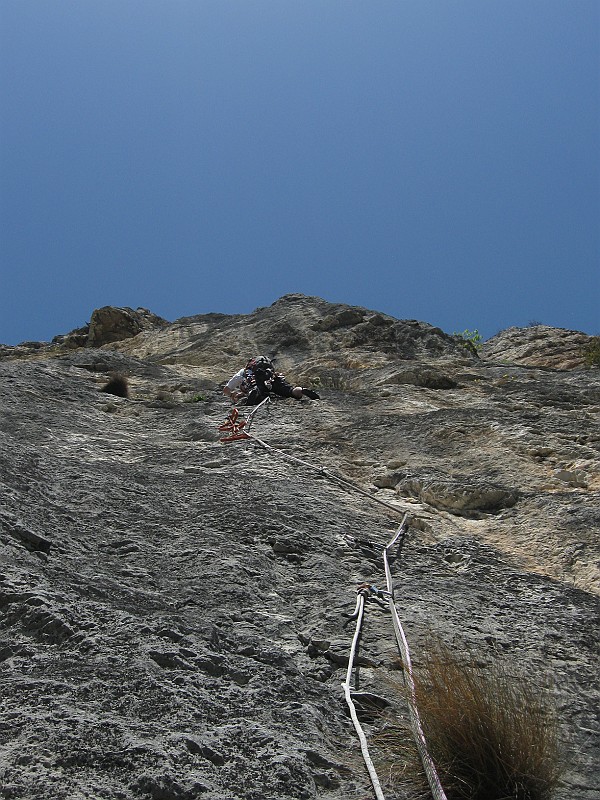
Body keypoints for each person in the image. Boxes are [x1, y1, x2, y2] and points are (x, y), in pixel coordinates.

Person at [223, 356, 320, 405]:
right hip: (271, 379)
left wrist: (231, 395)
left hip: (256, 383)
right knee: (288, 390)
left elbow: (226, 390)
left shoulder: (243, 372)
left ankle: (255, 392)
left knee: (255, 389)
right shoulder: (267, 367)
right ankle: (300, 390)